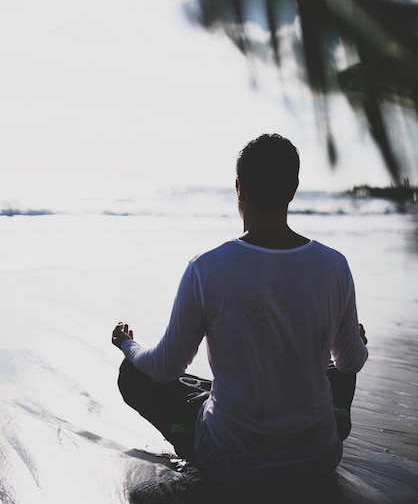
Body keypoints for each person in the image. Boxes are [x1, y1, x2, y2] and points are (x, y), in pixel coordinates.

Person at [112, 133, 368, 489]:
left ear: (239, 188)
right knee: (339, 358)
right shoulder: (334, 265)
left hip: (231, 461)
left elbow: (165, 367)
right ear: (293, 189)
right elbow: (351, 363)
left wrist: (127, 344)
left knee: (134, 371)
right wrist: (358, 342)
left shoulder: (207, 268)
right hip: (317, 458)